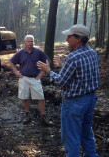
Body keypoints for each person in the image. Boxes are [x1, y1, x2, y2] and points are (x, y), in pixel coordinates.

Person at [37, 24, 100, 157]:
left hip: (74, 103)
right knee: (87, 133)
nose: (66, 39)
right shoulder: (92, 53)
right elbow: (81, 74)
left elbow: (61, 81)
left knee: (71, 138)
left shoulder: (73, 57)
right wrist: (63, 65)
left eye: (69, 36)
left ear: (78, 39)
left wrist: (48, 70)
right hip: (90, 100)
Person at [9, 35, 52, 126]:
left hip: (35, 78)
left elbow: (48, 61)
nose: (30, 43)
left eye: (32, 41)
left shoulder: (38, 52)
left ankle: (43, 117)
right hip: (23, 78)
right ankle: (27, 115)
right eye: (28, 41)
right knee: (24, 97)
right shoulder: (20, 53)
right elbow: (11, 62)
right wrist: (16, 72)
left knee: (41, 97)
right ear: (24, 43)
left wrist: (42, 73)